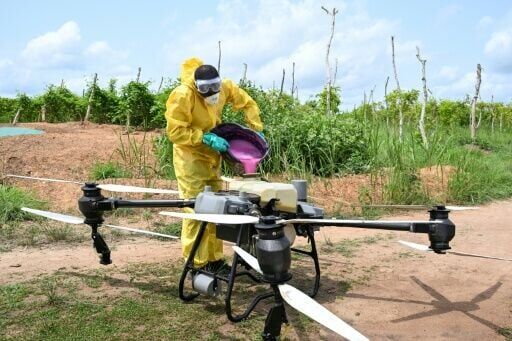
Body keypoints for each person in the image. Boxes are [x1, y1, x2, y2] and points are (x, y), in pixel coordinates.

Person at [164, 57, 263, 270]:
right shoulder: (183, 95)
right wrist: (204, 137)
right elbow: (175, 131)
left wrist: (256, 127)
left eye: (215, 87)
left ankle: (215, 260)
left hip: (212, 158)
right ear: (196, 87)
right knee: (196, 209)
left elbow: (247, 103)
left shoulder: (225, 88)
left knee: (218, 209)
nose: (211, 93)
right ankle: (196, 263)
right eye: (205, 89)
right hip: (190, 160)